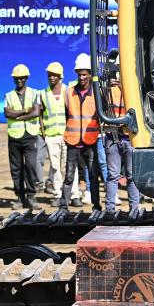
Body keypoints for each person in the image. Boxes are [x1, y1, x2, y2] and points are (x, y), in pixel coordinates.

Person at [60, 54, 102, 212]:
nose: (82, 77)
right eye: (79, 74)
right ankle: (63, 206)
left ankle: (96, 206)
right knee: (69, 175)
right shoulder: (69, 92)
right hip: (72, 141)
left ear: (90, 74)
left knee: (93, 176)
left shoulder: (96, 94)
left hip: (90, 141)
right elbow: (67, 114)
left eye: (84, 74)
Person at [103, 52, 141, 215]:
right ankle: (110, 209)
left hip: (130, 138)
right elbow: (102, 108)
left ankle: (134, 208)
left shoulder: (135, 89)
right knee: (113, 175)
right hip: (113, 137)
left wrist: (122, 87)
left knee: (132, 176)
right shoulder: (107, 90)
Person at [4, 64, 42, 211]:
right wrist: (26, 110)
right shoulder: (8, 95)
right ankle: (20, 197)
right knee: (16, 168)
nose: (19, 80)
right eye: (17, 78)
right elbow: (8, 113)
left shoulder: (34, 93)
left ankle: (31, 196)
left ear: (26, 78)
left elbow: (36, 113)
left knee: (31, 166)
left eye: (22, 78)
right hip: (14, 136)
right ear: (14, 79)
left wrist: (18, 115)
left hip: (30, 135)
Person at [39, 61, 67, 198]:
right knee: (55, 167)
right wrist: (44, 134)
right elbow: (40, 114)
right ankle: (58, 192)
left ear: (60, 76)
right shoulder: (43, 93)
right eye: (49, 75)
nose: (51, 78)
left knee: (66, 165)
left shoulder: (67, 91)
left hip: (66, 135)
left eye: (54, 75)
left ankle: (71, 193)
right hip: (51, 136)